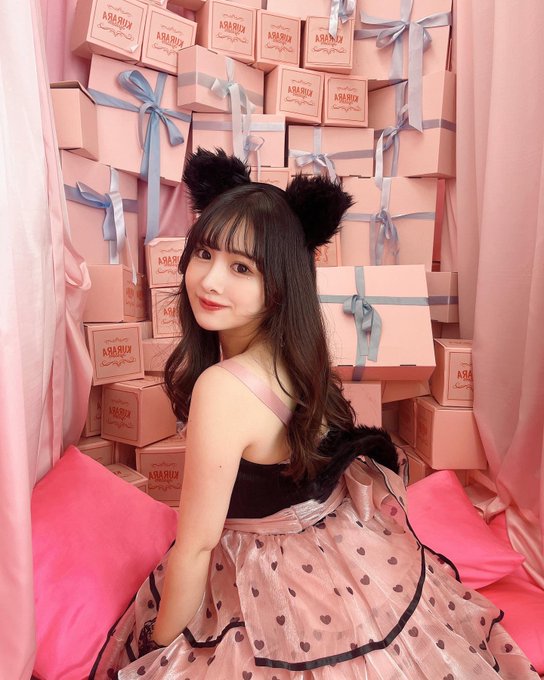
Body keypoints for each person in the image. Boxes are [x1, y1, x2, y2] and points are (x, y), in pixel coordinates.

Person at [92, 149, 538, 679]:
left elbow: (197, 546)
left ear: (281, 283)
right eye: (204, 254)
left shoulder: (222, 388)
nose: (209, 281)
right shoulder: (298, 356)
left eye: (241, 268)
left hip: (268, 571)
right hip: (335, 553)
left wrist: (156, 648)